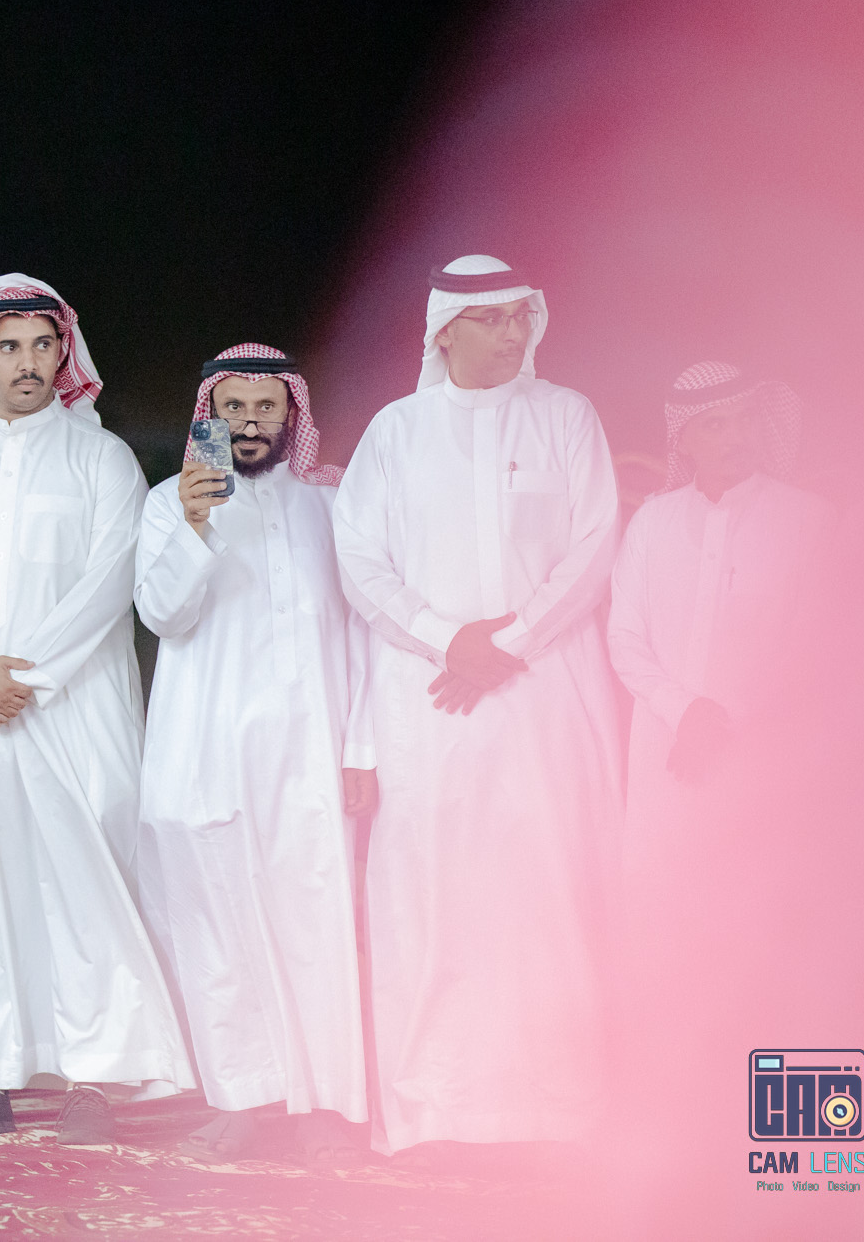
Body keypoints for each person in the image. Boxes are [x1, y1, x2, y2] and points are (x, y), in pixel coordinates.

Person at [332, 255, 623, 1157]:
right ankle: (434, 1111)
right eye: (490, 319)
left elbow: (594, 544)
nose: (510, 332)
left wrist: (511, 642)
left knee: (550, 889)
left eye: (518, 316)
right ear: (443, 330)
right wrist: (446, 637)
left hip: (548, 696)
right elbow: (360, 562)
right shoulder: (395, 431)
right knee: (430, 897)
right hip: (429, 704)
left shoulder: (567, 416)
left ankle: (560, 1112)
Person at [0, 274, 190, 1145]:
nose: (28, 362)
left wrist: (21, 678)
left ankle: (95, 1079)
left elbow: (107, 583)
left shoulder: (103, 461)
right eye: (9, 347)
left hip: (73, 715)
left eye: (43, 345)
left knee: (82, 890)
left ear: (65, 354)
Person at [134, 344, 374, 1165]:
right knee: (218, 926)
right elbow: (162, 611)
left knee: (316, 926)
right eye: (231, 407)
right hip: (206, 751)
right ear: (208, 414)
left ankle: (324, 1106)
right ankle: (241, 1098)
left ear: (290, 415)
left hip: (310, 757)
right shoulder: (169, 504)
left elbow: (361, 630)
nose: (247, 422)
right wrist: (195, 525)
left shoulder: (330, 504)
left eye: (265, 407)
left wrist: (360, 744)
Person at [607, 361, 825, 870]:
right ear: (682, 440)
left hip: (763, 754)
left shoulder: (808, 520)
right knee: (661, 892)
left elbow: (812, 650)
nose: (736, 436)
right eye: (716, 424)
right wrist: (684, 713)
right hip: (665, 751)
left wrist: (723, 725)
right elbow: (624, 639)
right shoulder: (651, 523)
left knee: (758, 893)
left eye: (746, 418)